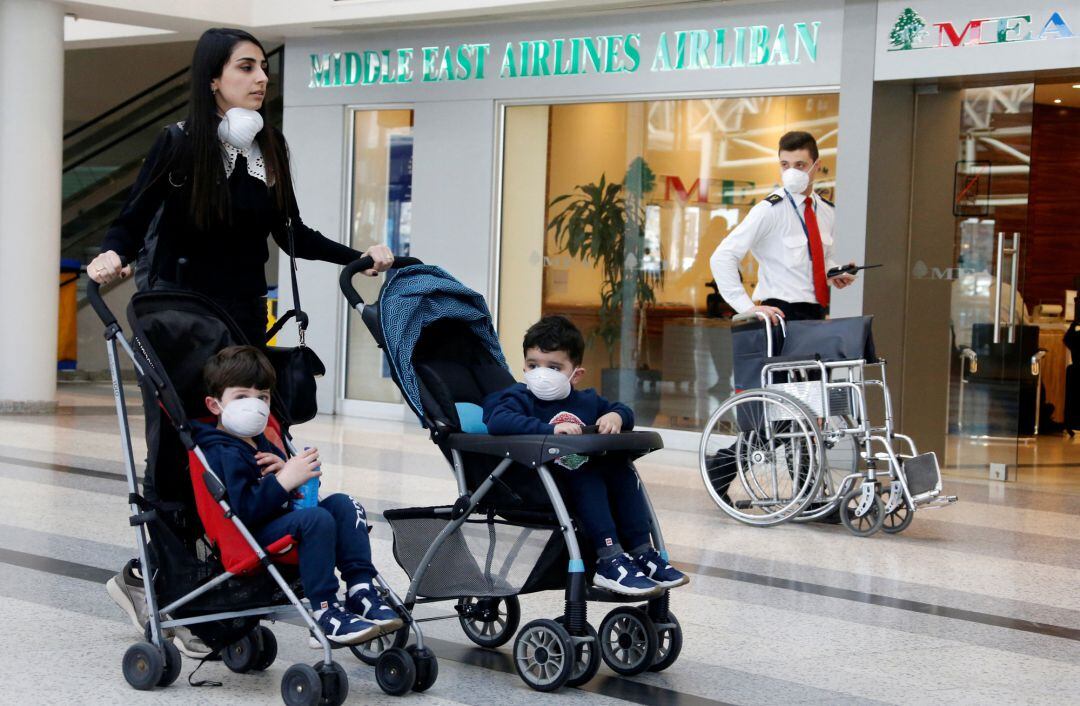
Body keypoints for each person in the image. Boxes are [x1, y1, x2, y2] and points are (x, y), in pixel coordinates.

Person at [95, 27, 394, 656]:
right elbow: (133, 214)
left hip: (239, 322)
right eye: (246, 67)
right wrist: (112, 255)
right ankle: (159, 571)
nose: (260, 79)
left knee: (248, 439)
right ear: (213, 79)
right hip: (177, 322)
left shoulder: (268, 146)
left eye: (263, 68)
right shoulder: (178, 145)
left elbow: (291, 233)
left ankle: (239, 568)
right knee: (179, 448)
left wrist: (356, 256)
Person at [190, 345, 403, 645]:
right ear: (215, 405)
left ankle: (360, 589)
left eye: (262, 397)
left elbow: (289, 495)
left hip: (283, 521)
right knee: (315, 519)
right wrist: (282, 482)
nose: (255, 405)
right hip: (251, 535)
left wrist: (288, 474)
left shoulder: (262, 439)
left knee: (344, 504)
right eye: (241, 397)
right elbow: (244, 510)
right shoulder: (219, 450)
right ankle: (325, 611)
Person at [482, 316, 689, 596]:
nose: (541, 374)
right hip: (541, 484)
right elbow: (499, 421)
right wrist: (550, 429)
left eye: (554, 367)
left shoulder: (587, 401)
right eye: (533, 366)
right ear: (524, 367)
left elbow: (622, 410)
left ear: (575, 374)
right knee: (588, 476)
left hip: (581, 478)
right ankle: (609, 559)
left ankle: (642, 552)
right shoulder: (518, 398)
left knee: (621, 470)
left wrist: (615, 416)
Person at [709, 130, 855, 323]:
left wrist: (835, 271)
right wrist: (747, 307)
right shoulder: (769, 210)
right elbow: (722, 257)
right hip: (781, 313)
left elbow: (819, 257)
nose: (791, 172)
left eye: (800, 165)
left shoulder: (826, 211)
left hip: (817, 311)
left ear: (816, 166)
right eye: (785, 165)